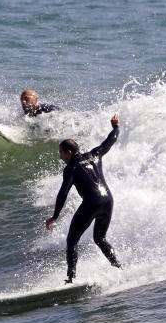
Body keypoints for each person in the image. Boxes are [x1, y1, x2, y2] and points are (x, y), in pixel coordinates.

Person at [45, 114, 123, 283]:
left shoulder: (71, 169)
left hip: (92, 203)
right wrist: (116, 127)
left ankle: (71, 278)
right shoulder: (95, 154)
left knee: (72, 240)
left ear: (69, 152)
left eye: (61, 153)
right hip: (108, 200)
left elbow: (63, 193)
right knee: (100, 239)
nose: (60, 157)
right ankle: (119, 268)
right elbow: (110, 141)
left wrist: (54, 217)